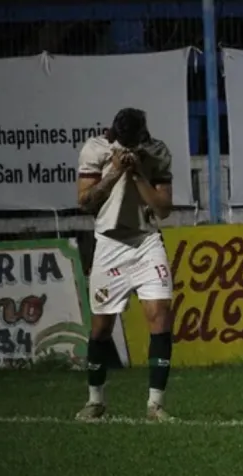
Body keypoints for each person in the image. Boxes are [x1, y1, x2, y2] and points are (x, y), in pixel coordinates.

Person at [74, 108, 176, 423]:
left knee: (160, 316)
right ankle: (95, 401)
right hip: (109, 244)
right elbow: (86, 201)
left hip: (146, 243)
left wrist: (139, 174)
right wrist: (115, 172)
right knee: (102, 327)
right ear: (115, 136)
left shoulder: (156, 152)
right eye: (127, 142)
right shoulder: (95, 150)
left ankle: (155, 405)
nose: (132, 147)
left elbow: (163, 209)